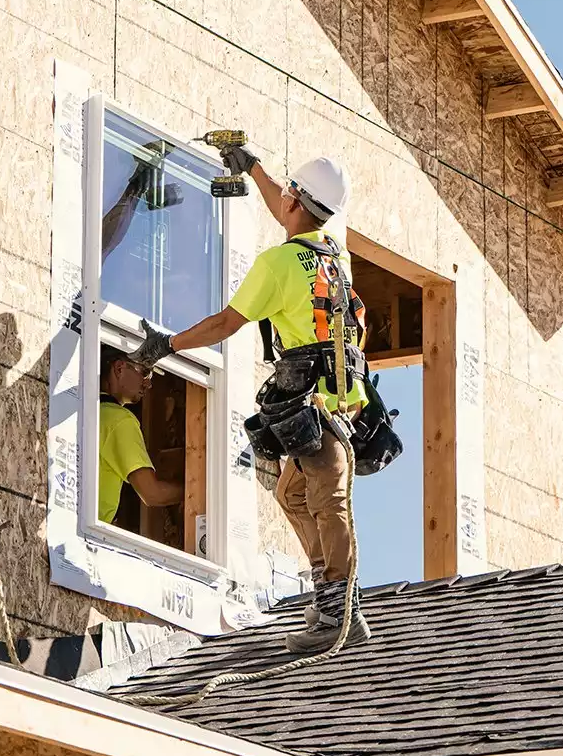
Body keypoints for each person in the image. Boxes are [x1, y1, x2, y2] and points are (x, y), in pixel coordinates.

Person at [141, 146, 370, 654]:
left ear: (294, 201)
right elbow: (290, 212)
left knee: (328, 500)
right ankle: (333, 599)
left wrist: (167, 344)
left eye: (285, 195)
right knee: (292, 494)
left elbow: (226, 324)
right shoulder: (335, 256)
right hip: (340, 402)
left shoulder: (277, 265)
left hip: (317, 407)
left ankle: (337, 612)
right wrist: (256, 172)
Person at [98, 348, 184, 531]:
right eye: (145, 372)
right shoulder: (119, 420)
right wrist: (198, 490)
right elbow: (152, 494)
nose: (149, 383)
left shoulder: (90, 412)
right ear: (120, 368)